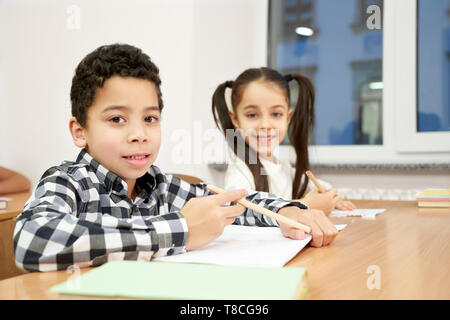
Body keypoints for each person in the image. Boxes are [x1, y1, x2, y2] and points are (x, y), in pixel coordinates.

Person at [13, 44, 337, 272]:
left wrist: (290, 209)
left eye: (150, 119)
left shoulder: (160, 186)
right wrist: (181, 228)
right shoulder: (68, 181)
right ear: (79, 130)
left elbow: (235, 202)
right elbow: (34, 241)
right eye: (117, 119)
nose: (139, 134)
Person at [211, 67, 356, 215]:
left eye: (276, 114)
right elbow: (240, 212)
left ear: (287, 118)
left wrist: (332, 198)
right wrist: (305, 205)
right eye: (252, 115)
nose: (265, 125)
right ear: (235, 119)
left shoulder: (281, 167)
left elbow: (319, 186)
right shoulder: (240, 171)